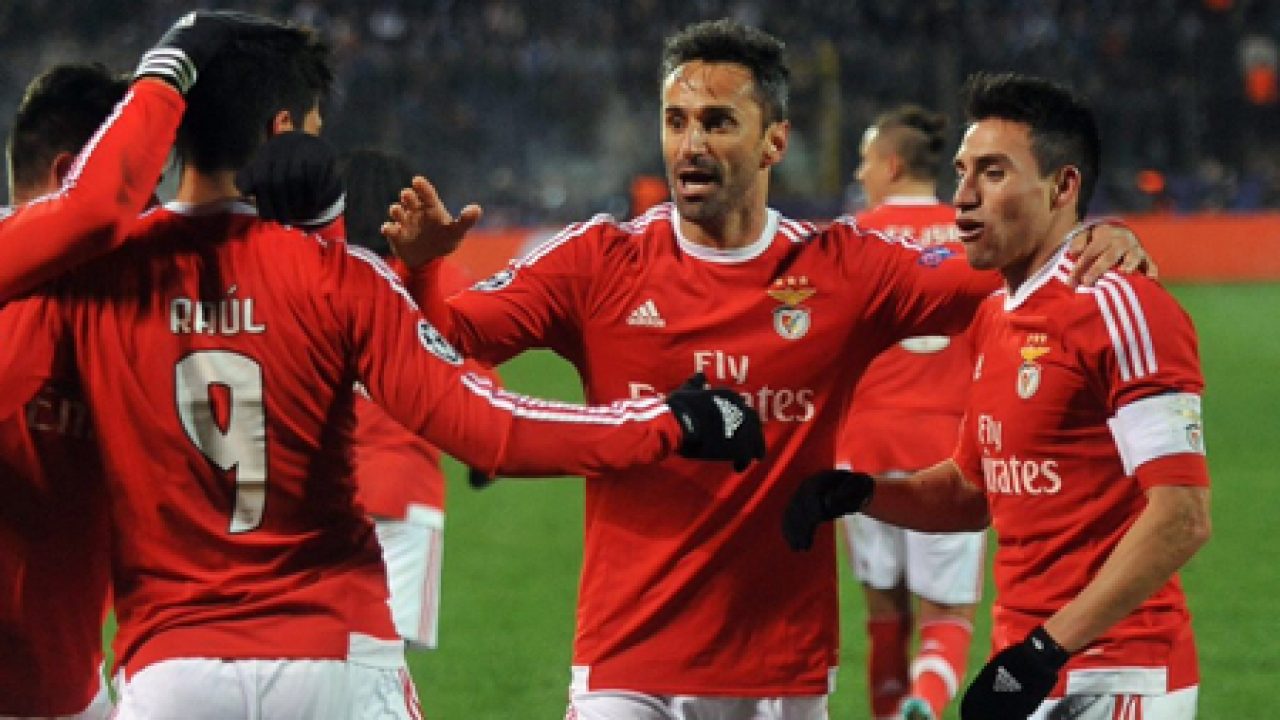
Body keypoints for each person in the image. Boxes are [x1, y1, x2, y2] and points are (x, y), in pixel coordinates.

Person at [382, 19, 1152, 720]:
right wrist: (419, 270)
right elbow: (449, 336)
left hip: (781, 671)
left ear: (774, 142)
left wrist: (1090, 238)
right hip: (627, 663)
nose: (690, 145)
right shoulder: (598, 260)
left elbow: (1006, 267)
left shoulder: (843, 268)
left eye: (718, 122)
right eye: (676, 121)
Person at [0, 15, 763, 720]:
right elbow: (493, 430)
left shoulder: (91, 284)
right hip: (333, 654)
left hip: (173, 671)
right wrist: (671, 418)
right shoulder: (343, 278)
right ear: (283, 132)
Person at [783, 72, 1210, 720]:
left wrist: (1045, 649)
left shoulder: (1120, 306)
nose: (963, 196)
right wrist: (862, 493)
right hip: (1032, 665)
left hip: (1115, 675)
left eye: (992, 173)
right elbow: (970, 492)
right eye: (962, 172)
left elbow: (1182, 515)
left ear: (1063, 187)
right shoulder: (994, 317)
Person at [0, 11, 268, 715]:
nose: (150, 214)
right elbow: (96, 211)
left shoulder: (108, 310)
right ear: (69, 173)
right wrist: (177, 59)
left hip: (71, 692)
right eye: (144, 190)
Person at [837, 105, 982, 720]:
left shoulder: (850, 240)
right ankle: (925, 701)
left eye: (866, 161)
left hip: (864, 450)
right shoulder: (976, 237)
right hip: (949, 454)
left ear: (892, 165)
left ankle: (893, 710)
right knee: (946, 615)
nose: (860, 173)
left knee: (885, 612)